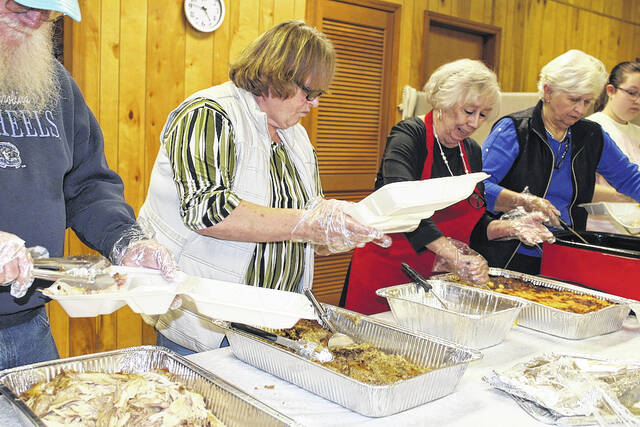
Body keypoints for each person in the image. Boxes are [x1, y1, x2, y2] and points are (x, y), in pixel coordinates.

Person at [139, 20, 391, 355]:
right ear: (277, 76)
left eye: (319, 95)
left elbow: (304, 216)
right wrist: (308, 223)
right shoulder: (210, 113)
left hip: (276, 322)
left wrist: (335, 231)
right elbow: (208, 212)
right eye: (309, 92)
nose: (314, 105)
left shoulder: (295, 135)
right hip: (209, 324)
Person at [0, 0, 177, 370]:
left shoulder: (54, 83)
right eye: (20, 9)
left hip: (30, 325)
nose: (35, 21)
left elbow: (88, 185)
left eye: (46, 14)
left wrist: (125, 240)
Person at [342, 59, 553, 315]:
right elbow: (401, 205)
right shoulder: (410, 135)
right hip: (386, 274)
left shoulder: (470, 151)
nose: (475, 123)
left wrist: (510, 227)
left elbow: (473, 224)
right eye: (468, 111)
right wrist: (452, 255)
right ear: (444, 101)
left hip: (435, 280)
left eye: (483, 114)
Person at [477, 50, 640, 274]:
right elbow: (478, 189)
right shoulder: (514, 129)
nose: (581, 110)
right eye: (574, 100)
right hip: (510, 253)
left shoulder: (591, 136)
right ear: (548, 91)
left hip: (565, 252)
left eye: (587, 102)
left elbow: (630, 178)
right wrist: (523, 201)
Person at [586, 61, 640, 232]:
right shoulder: (591, 128)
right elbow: (578, 187)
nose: (638, 101)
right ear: (611, 90)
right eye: (632, 93)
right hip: (600, 229)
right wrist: (628, 197)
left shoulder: (637, 132)